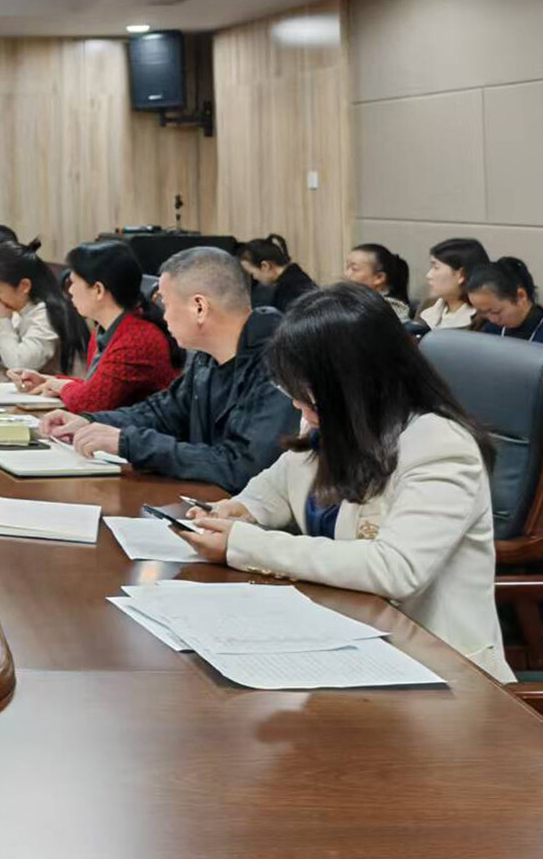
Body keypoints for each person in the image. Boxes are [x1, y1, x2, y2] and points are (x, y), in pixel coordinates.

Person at [180, 284, 514, 681]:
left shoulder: (439, 446)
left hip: (437, 671)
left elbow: (396, 569)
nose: (296, 403)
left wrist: (246, 544)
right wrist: (242, 510)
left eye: (306, 390)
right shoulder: (340, 422)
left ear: (355, 383)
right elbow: (281, 481)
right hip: (349, 642)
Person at [41, 246, 300, 491]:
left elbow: (243, 467)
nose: (162, 315)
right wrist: (90, 421)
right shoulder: (207, 358)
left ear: (199, 307)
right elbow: (162, 412)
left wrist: (129, 443)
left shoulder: (279, 364)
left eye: (165, 302)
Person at [9, 240, 178, 413]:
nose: (71, 291)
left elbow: (91, 403)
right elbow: (99, 387)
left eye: (73, 283)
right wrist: (47, 381)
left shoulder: (136, 339)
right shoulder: (106, 328)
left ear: (98, 290)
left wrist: (59, 386)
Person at [0, 239, 86, 374]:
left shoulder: (45, 315)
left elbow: (20, 364)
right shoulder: (20, 310)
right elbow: (0, 343)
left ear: (24, 286)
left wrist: (2, 322)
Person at [466, 257, 543, 343]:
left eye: (496, 311)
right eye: (483, 312)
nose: (493, 319)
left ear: (521, 296)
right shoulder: (490, 330)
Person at [418, 237, 489, 330]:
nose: (429, 275)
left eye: (436, 267)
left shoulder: (484, 318)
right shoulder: (428, 305)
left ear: (461, 275)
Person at [237, 233, 316, 313]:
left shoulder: (289, 291)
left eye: (253, 273)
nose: (254, 277)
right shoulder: (297, 280)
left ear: (265, 266)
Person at [344, 243, 412, 321]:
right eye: (347, 267)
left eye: (354, 269)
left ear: (379, 278)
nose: (347, 274)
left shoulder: (387, 309)